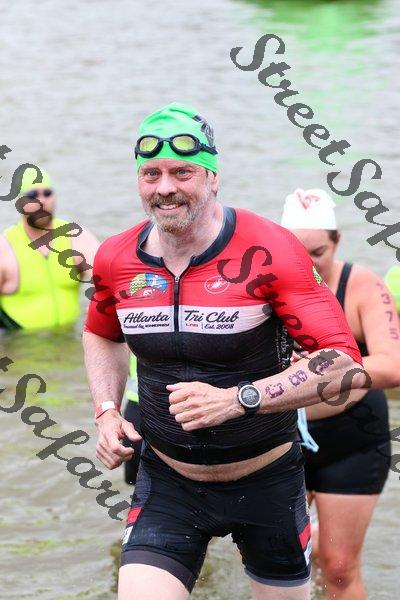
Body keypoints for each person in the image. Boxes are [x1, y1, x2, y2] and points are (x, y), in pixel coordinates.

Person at [83, 102, 366, 600]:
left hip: (267, 482)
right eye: (151, 174)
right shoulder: (117, 256)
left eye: (182, 172)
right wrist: (107, 411)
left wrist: (240, 399)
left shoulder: (270, 249)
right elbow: (102, 333)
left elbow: (344, 363)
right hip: (168, 482)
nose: (165, 187)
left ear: (213, 177)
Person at [281, 188, 400, 600]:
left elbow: (392, 365)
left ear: (336, 242)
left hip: (353, 439)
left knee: (339, 567)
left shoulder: (360, 285)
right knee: (283, 561)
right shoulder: (262, 287)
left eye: (318, 252)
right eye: (296, 253)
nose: (307, 264)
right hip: (280, 440)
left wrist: (323, 367)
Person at [0, 168, 99, 330]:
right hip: (17, 341)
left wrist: (100, 302)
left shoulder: (76, 237)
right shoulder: (5, 247)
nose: (42, 201)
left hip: (68, 340)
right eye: (32, 194)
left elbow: (108, 280)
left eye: (47, 193)